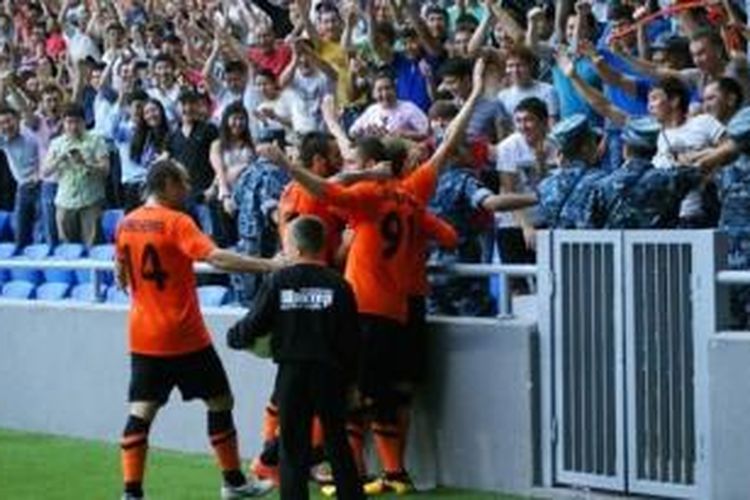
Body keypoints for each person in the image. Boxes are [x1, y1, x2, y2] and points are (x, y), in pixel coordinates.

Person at [114, 158, 280, 500]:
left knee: (141, 411)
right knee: (220, 400)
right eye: (184, 183)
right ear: (167, 185)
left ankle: (131, 493)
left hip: (143, 335)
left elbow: (120, 272)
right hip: (184, 334)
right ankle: (233, 482)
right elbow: (216, 257)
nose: (188, 189)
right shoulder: (177, 222)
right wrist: (268, 264)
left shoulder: (127, 222)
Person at [227, 215, 364, 500]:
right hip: (331, 375)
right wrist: (353, 385)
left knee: (292, 449)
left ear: (297, 247)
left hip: (292, 374)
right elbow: (352, 342)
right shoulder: (340, 285)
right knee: (337, 442)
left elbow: (253, 324)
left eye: (286, 243)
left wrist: (235, 337)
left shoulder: (279, 280)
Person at [585, 117, 702, 229]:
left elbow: (593, 226)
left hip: (617, 249)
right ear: (655, 149)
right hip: (660, 248)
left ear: (625, 149)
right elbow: (698, 174)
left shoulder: (603, 186)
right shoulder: (672, 179)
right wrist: (677, 157)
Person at [43, 103, 110, 246]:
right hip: (65, 202)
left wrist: (85, 163)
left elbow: (105, 170)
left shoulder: (96, 140)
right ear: (63, 123)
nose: (73, 126)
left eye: (77, 122)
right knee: (68, 248)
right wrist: (60, 158)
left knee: (92, 246)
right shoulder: (56, 143)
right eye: (69, 122)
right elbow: (45, 172)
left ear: (84, 122)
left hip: (91, 201)